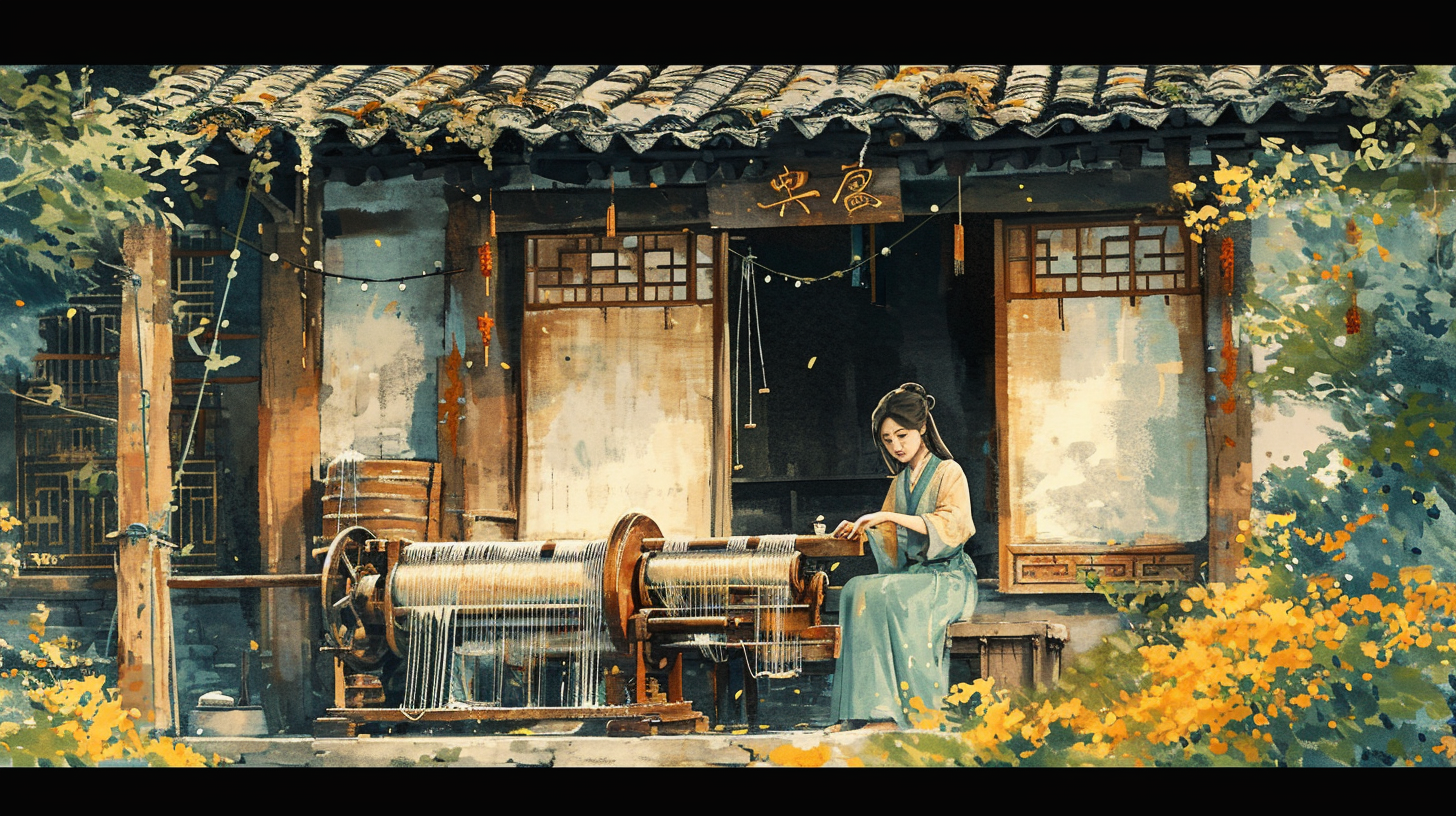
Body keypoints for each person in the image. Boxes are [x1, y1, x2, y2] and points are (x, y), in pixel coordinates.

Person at [827, 383, 978, 731]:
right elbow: (892, 545)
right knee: (855, 590)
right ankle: (860, 712)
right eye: (888, 439)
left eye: (902, 435)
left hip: (948, 578)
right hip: (915, 578)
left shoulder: (948, 471)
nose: (896, 446)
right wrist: (864, 529)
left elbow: (953, 525)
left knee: (882, 592)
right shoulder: (900, 482)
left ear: (922, 427)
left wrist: (887, 517)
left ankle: (898, 714)